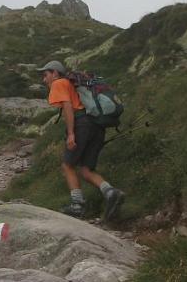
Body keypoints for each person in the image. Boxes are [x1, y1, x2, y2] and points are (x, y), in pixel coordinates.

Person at [37, 60, 125, 220]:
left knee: (67, 165)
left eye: (45, 75)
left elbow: (68, 107)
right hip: (97, 126)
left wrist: (71, 133)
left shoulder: (59, 83)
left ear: (55, 73)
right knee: (86, 170)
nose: (44, 80)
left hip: (81, 125)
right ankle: (112, 192)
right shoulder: (74, 85)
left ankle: (77, 205)